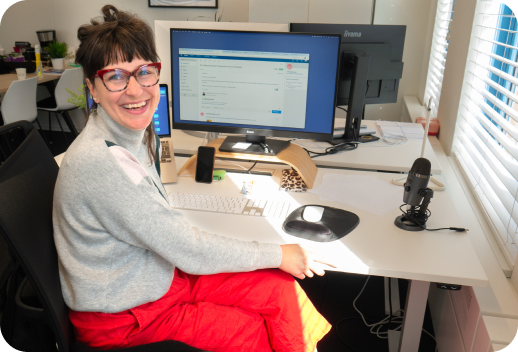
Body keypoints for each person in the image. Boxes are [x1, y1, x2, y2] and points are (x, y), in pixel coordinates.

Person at [53, 5, 332, 352]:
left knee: (281, 291)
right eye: (115, 76)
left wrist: (277, 257)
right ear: (92, 89)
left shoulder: (127, 136)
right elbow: (188, 250)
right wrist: (279, 253)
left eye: (143, 72)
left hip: (159, 278)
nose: (136, 90)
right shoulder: (99, 163)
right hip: (129, 318)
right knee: (257, 332)